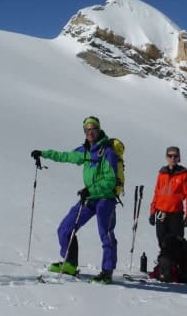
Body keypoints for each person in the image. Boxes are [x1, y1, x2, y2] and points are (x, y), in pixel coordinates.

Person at [31, 116, 119, 284]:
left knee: (105, 233)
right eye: (87, 130)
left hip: (105, 198)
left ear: (99, 130)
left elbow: (110, 180)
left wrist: (90, 189)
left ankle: (107, 272)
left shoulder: (107, 152)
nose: (90, 132)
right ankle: (70, 263)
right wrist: (43, 153)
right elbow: (65, 156)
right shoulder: (84, 151)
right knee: (65, 228)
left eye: (93, 129)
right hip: (90, 196)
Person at [148, 146, 187, 282]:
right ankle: (165, 268)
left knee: (177, 242)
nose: (172, 158)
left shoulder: (183, 174)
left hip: (175, 214)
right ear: (166, 157)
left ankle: (182, 271)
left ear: (179, 157)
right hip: (161, 213)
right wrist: (152, 212)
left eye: (175, 156)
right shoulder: (162, 173)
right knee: (162, 243)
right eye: (170, 155)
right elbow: (157, 193)